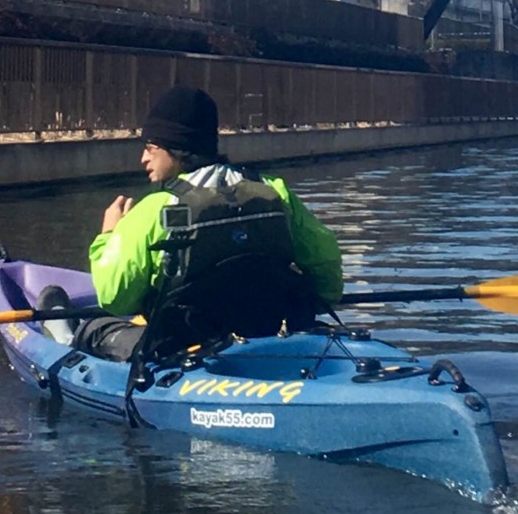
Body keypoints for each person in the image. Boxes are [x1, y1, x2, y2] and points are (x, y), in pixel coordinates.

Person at [79, 85, 343, 363]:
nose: (143, 158)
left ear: (179, 149)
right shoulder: (275, 191)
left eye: (151, 148)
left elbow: (115, 298)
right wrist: (321, 300)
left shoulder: (153, 210)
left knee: (95, 328)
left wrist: (109, 235)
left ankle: (60, 332)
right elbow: (325, 258)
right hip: (267, 329)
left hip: (185, 344)